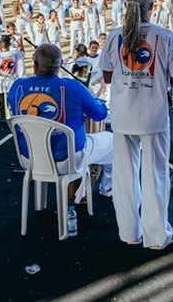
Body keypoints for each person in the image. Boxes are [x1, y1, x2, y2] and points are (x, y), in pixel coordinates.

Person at [100, 0, 173, 250]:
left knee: (123, 177)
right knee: (155, 175)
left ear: (125, 6)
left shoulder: (115, 37)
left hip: (123, 115)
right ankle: (157, 236)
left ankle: (129, 233)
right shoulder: (165, 37)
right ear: (152, 6)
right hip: (153, 115)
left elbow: (106, 76)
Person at [8, 44, 112, 209]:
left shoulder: (17, 86)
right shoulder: (74, 87)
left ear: (34, 64)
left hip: (29, 158)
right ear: (60, 65)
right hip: (68, 161)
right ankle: (107, 189)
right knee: (112, 142)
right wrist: (92, 99)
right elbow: (100, 114)